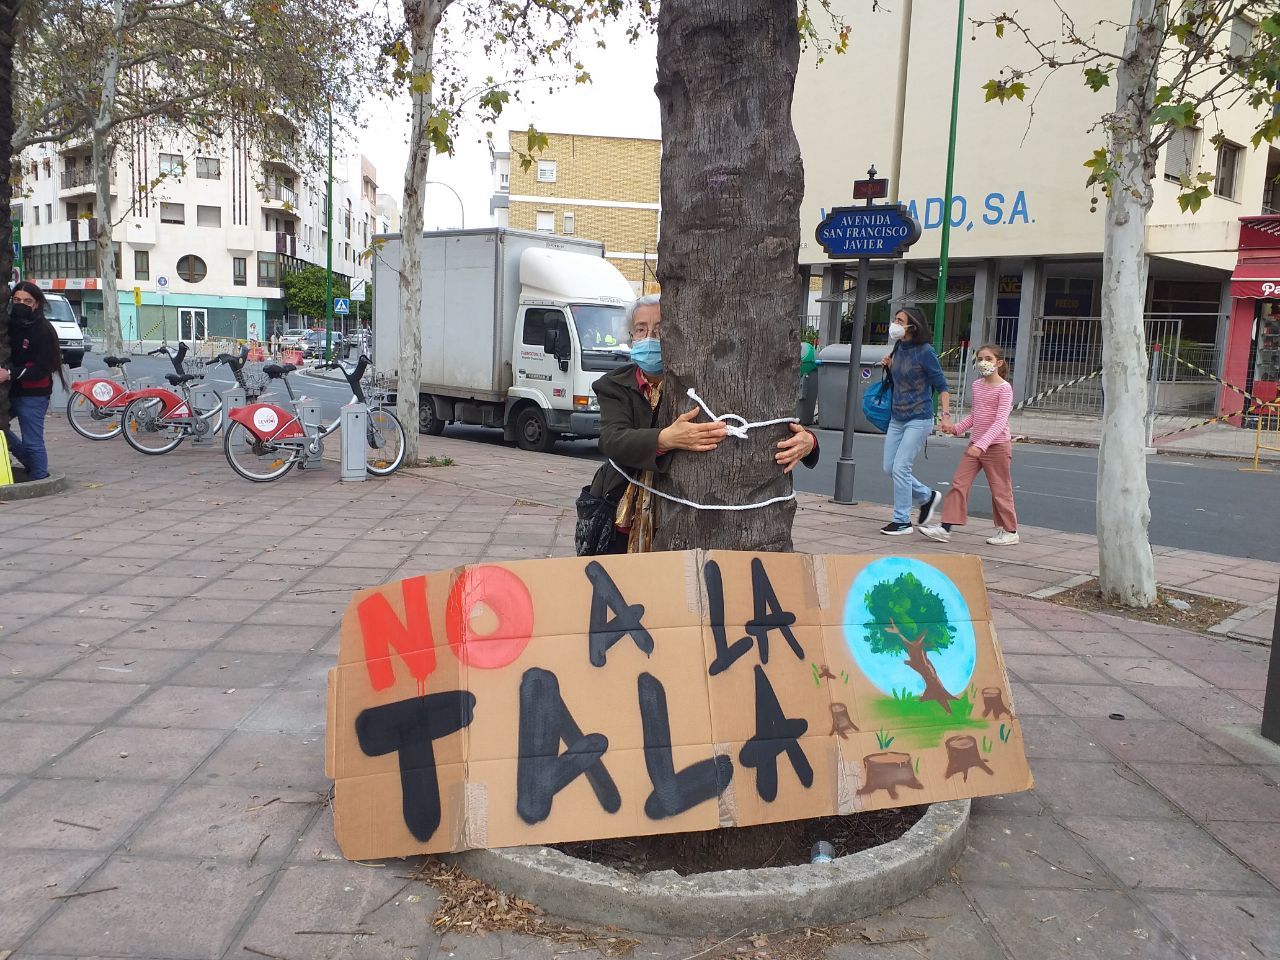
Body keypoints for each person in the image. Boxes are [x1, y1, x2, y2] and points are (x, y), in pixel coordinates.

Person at [587, 294, 819, 553]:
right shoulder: (613, 385)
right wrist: (666, 439)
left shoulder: (698, 382)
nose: (650, 338)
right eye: (641, 329)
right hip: (620, 509)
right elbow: (612, 439)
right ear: (631, 336)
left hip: (684, 513)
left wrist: (809, 441)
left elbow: (755, 422)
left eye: (660, 329)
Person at [919, 344, 1019, 545]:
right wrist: (955, 428)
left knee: (1000, 489)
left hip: (996, 446)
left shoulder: (1004, 388)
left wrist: (981, 445)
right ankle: (945, 528)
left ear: (999, 363)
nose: (983, 363)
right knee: (959, 483)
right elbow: (975, 416)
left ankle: (1010, 531)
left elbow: (1000, 422)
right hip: (975, 446)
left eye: (988, 359)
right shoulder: (976, 385)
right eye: (980, 359)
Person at [879, 306, 951, 536]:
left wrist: (945, 416)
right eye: (895, 319)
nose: (895, 324)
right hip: (897, 417)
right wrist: (890, 366)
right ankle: (926, 496)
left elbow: (942, 386)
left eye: (900, 321)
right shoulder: (899, 347)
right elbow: (899, 380)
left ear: (913, 326)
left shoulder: (925, 352)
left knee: (901, 467)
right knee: (889, 467)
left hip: (919, 418)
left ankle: (902, 520)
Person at [1, 282, 65, 481]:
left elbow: (42, 368)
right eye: (17, 300)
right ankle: (32, 464)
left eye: (27, 301)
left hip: (33, 394)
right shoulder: (9, 326)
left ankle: (39, 477)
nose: (21, 304)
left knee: (32, 441)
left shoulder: (44, 330)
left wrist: (9, 374)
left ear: (37, 303)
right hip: (10, 391)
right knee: (2, 428)